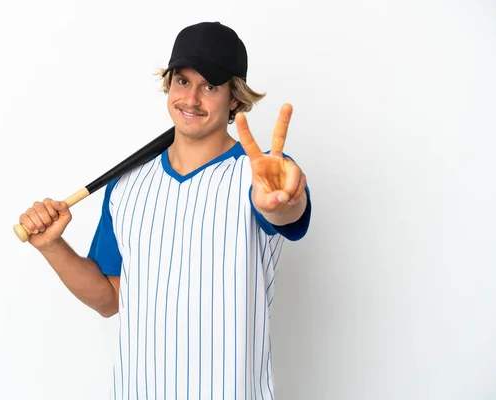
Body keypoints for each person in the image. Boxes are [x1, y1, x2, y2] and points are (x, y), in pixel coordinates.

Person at [18, 21, 311, 400]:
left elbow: (286, 213)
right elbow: (110, 299)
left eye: (210, 86)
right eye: (182, 81)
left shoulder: (262, 177)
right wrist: (51, 247)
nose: (191, 99)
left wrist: (287, 203)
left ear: (235, 99)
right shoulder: (126, 185)